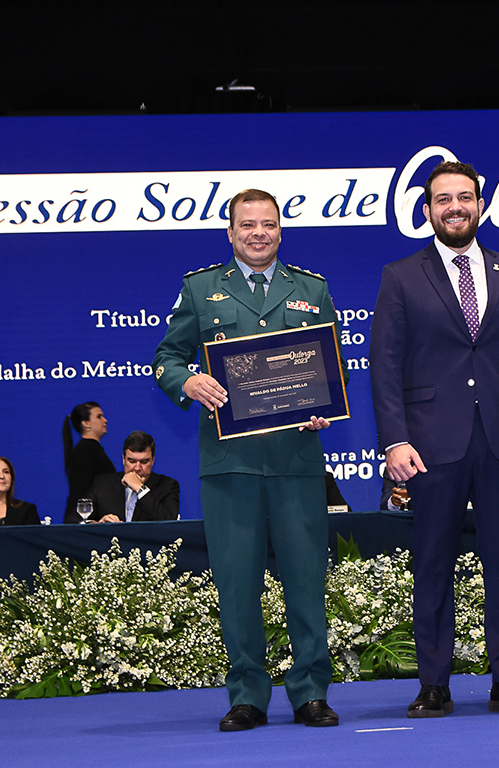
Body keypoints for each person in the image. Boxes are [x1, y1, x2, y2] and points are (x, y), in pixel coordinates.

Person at [153, 188, 343, 731]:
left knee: (306, 579)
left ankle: (310, 692)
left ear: (280, 231)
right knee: (237, 584)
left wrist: (322, 405)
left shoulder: (312, 289)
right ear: (230, 232)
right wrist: (187, 379)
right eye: (247, 225)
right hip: (230, 464)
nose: (258, 233)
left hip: (296, 460)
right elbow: (167, 358)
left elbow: (334, 369)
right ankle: (248, 697)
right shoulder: (201, 288)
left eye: (268, 225)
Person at [371, 161, 499, 718]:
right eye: (443, 199)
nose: (454, 207)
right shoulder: (400, 275)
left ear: (481, 205)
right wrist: (394, 440)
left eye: (464, 198)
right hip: (428, 443)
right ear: (428, 210)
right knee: (433, 562)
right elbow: (385, 364)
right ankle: (433, 683)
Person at [88, 431, 180, 522]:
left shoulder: (167, 486)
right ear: (123, 459)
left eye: (144, 462)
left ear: (153, 460)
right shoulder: (102, 484)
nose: (137, 468)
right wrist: (98, 524)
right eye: (132, 461)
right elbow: (77, 519)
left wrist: (140, 489)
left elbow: (170, 522)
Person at [62, 401, 116, 523]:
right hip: (87, 525)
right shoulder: (85, 450)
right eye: (99, 416)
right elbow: (81, 489)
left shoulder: (90, 449)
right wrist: (87, 521)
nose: (105, 420)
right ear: (86, 423)